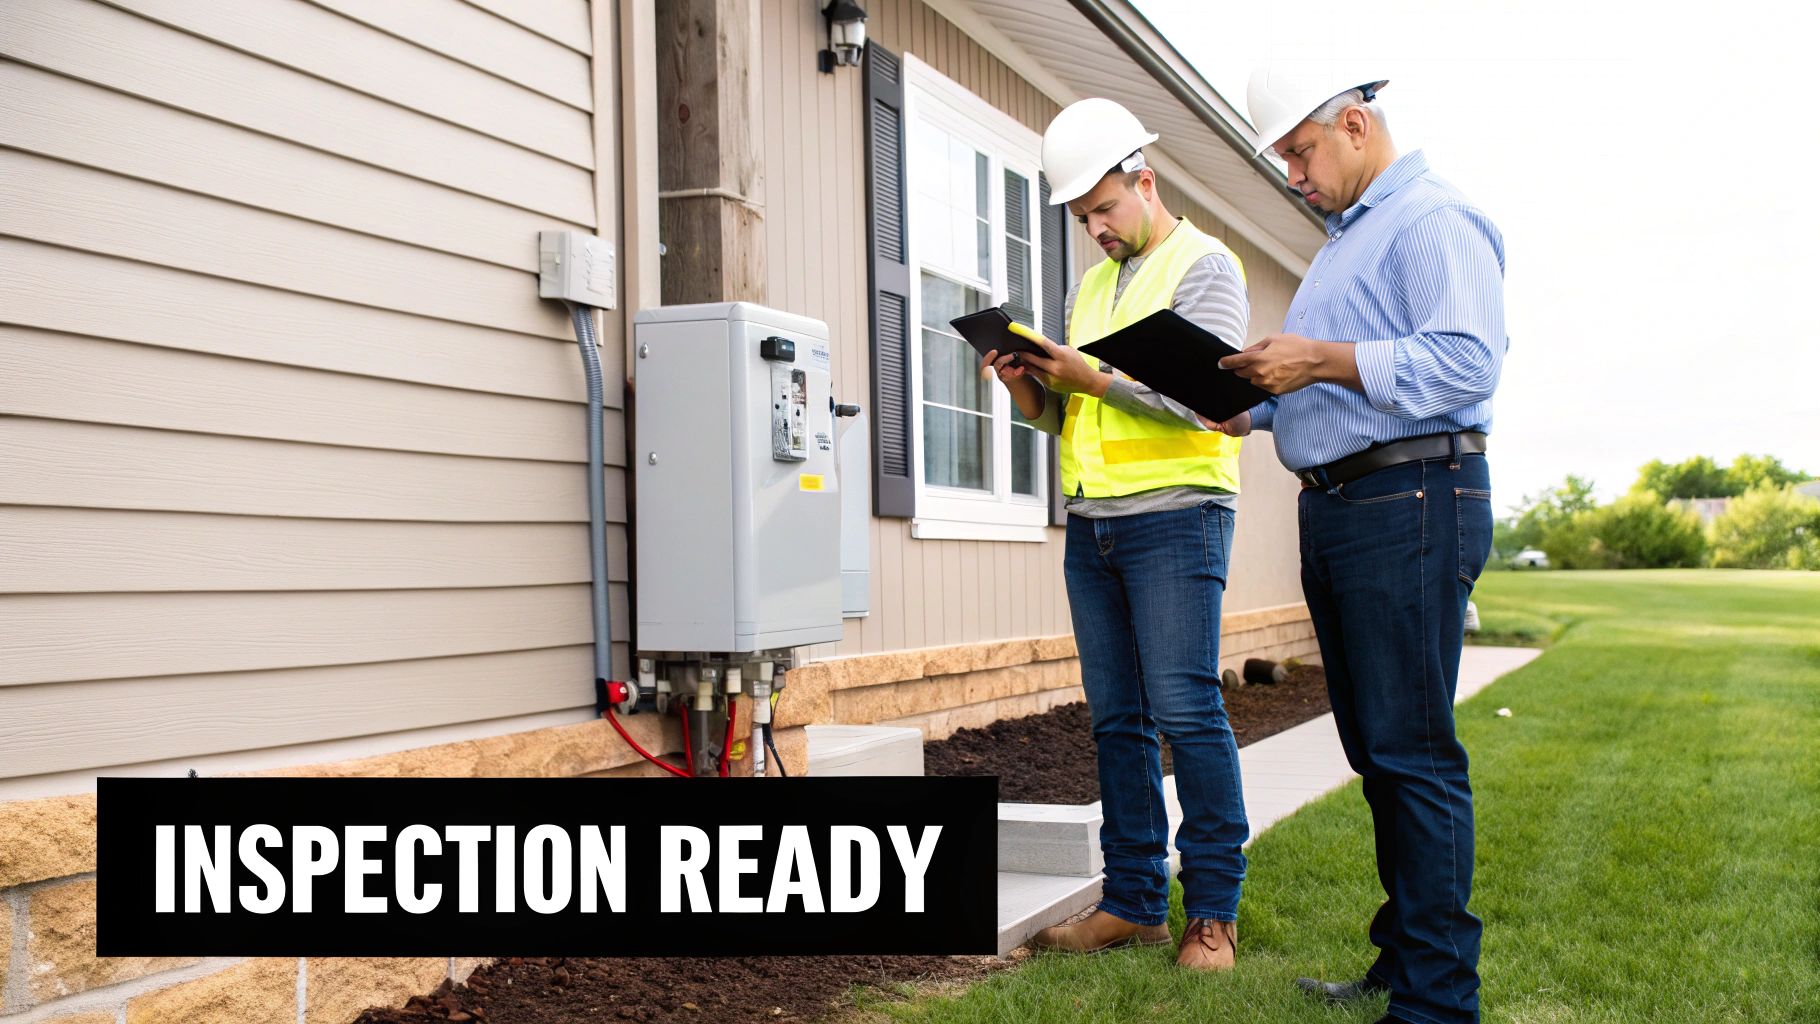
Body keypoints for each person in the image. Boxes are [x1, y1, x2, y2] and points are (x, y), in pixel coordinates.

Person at [1208, 65, 1508, 1024]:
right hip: (1346, 503)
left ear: (1353, 122)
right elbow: (1336, 387)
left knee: (1412, 750)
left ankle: (1437, 1003)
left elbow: (1468, 357)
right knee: (1377, 749)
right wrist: (1254, 406)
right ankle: (1404, 960)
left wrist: (1316, 358)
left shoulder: (1430, 219)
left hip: (1412, 496)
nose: (1293, 174)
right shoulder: (1346, 245)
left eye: (1300, 151)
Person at [984, 97, 1251, 971]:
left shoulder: (1205, 266)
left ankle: (1212, 913)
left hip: (1178, 517)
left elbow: (1206, 402)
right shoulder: (1090, 287)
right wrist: (1026, 382)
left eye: (1103, 208)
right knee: (1117, 721)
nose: (1093, 228)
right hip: (1093, 525)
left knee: (1186, 711)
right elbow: (1066, 419)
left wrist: (1089, 378)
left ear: (1145, 179)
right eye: (1081, 216)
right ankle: (1133, 902)